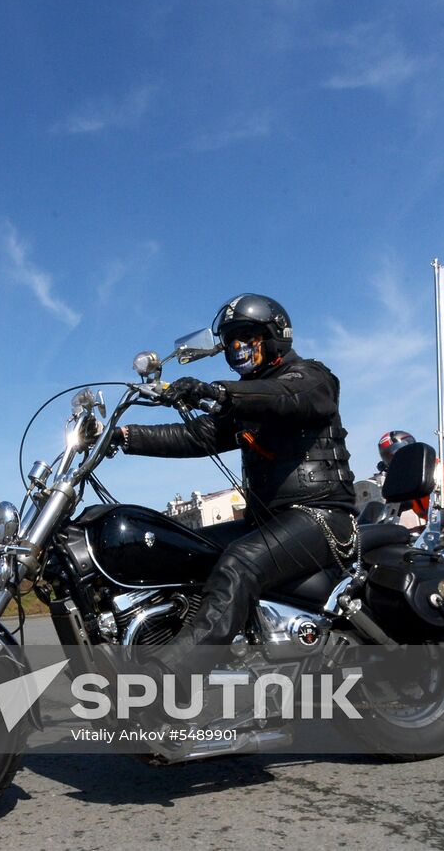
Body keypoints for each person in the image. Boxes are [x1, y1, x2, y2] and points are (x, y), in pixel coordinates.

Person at [108, 293, 357, 689]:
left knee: (240, 561)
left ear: (275, 335)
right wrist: (122, 436)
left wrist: (217, 392)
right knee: (183, 548)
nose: (238, 347)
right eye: (231, 340)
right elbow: (196, 435)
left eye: (247, 336)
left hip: (320, 514)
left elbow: (285, 398)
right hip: (266, 521)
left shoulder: (311, 378)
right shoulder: (247, 400)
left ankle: (171, 678)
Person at [377, 430, 444, 531]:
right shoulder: (409, 480)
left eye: (395, 457)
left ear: (411, 451)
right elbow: (400, 503)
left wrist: (430, 533)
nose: (395, 463)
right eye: (388, 459)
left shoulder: (438, 468)